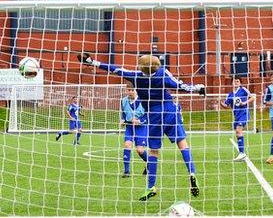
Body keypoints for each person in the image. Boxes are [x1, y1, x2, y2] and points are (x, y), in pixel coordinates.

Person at [78, 53, 205, 201]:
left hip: (154, 115)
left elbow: (115, 69)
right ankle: (192, 172)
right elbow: (179, 85)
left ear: (141, 67)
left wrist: (92, 62)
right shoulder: (162, 73)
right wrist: (197, 88)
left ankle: (151, 186)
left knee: (153, 152)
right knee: (182, 143)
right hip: (170, 111)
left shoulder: (136, 76)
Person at [219, 76, 254, 162]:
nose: (236, 83)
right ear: (232, 83)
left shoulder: (243, 90)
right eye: (234, 81)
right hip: (237, 116)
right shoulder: (230, 95)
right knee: (237, 133)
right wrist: (220, 103)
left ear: (240, 83)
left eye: (238, 81)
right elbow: (226, 106)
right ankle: (242, 154)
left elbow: (252, 97)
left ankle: (242, 153)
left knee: (239, 130)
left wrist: (244, 103)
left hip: (244, 114)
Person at [120, 86, 149, 178]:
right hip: (129, 127)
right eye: (128, 90)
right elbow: (124, 113)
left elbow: (148, 115)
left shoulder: (143, 101)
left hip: (141, 127)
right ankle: (126, 171)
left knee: (140, 150)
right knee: (127, 145)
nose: (130, 92)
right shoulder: (124, 101)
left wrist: (139, 121)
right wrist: (123, 119)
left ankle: (150, 163)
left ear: (136, 90)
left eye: (132, 90)